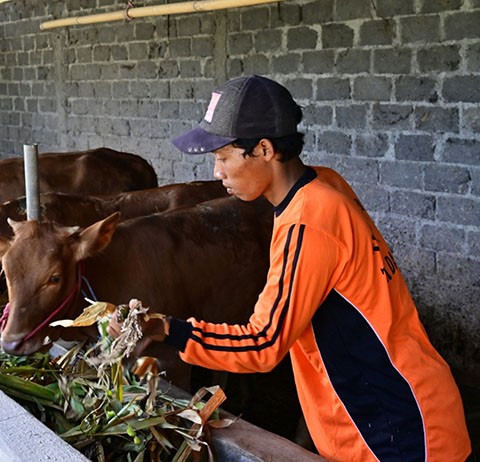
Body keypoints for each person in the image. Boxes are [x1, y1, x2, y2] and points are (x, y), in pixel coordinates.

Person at [108, 75, 471, 461]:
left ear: (263, 149)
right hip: (405, 405)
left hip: (394, 430)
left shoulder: (309, 221)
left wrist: (170, 330)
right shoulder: (323, 184)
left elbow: (263, 343)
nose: (217, 172)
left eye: (223, 156)